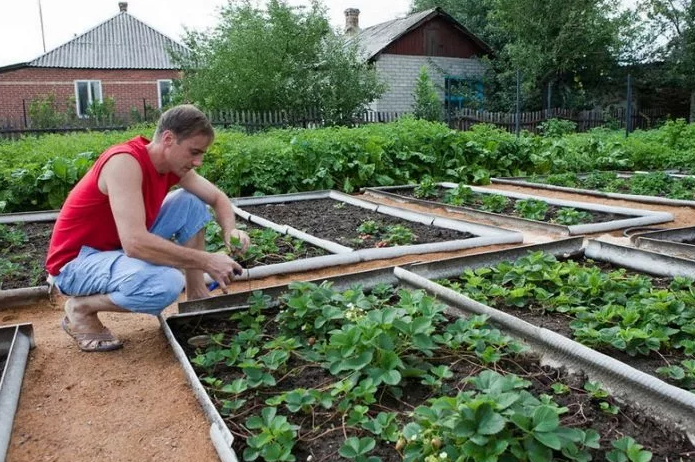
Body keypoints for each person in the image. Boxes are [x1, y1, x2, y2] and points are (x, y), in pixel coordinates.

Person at [45, 104, 250, 352]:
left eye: (202, 154)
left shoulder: (172, 167)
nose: (198, 161)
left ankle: (197, 294)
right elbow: (135, 244)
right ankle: (81, 309)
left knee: (191, 203)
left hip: (115, 250)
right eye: (194, 152)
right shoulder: (124, 162)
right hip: (75, 264)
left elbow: (217, 198)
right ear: (168, 139)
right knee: (165, 283)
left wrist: (231, 231)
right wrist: (207, 261)